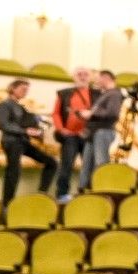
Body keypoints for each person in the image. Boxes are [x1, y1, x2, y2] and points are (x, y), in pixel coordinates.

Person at [0, 79, 56, 205]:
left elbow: (28, 124)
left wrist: (38, 131)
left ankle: (42, 193)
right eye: (23, 89)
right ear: (12, 88)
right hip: (11, 142)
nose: (25, 92)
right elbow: (3, 125)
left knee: (52, 163)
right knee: (14, 170)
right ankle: (7, 204)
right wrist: (26, 131)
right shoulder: (3, 105)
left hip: (23, 141)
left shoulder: (21, 107)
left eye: (27, 90)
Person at [51, 67, 94, 203]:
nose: (82, 77)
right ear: (74, 77)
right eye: (79, 74)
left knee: (90, 166)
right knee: (66, 165)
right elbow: (56, 113)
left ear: (90, 77)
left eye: (85, 74)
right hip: (70, 137)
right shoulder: (64, 93)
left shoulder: (96, 94)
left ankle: (90, 194)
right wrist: (61, 129)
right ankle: (61, 195)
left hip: (88, 136)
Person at [79, 69, 122, 192]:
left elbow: (112, 113)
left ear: (106, 78)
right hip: (94, 132)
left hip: (103, 131)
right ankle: (83, 189)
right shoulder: (106, 94)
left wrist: (91, 113)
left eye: (98, 78)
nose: (96, 81)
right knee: (87, 163)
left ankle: (101, 191)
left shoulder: (114, 94)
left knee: (100, 163)